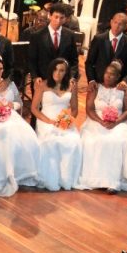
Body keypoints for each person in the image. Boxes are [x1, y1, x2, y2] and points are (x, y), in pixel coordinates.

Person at [0, 55, 39, 196]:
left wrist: (11, 105)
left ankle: (21, 172)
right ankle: (5, 172)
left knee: (26, 134)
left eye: (0, 69)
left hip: (10, 116)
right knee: (5, 134)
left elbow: (19, 103)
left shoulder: (9, 84)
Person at [78, 61, 127, 192]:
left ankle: (113, 181)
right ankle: (94, 178)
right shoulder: (95, 88)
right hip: (97, 121)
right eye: (106, 73)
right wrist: (100, 121)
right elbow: (89, 109)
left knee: (117, 141)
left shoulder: (123, 91)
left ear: (118, 77)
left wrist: (117, 121)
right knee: (94, 140)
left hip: (117, 123)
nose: (108, 76)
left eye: (112, 74)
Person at [32, 58, 82, 191]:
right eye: (55, 69)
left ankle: (66, 179)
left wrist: (68, 119)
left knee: (74, 141)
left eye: (61, 71)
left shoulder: (71, 86)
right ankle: (50, 178)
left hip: (64, 121)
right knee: (51, 141)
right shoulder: (43, 84)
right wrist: (49, 121)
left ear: (66, 73)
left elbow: (75, 110)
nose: (57, 73)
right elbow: (34, 109)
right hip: (46, 120)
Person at [28, 2, 79, 86]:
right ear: (50, 16)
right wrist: (35, 77)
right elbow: (32, 60)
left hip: (63, 81)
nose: (58, 21)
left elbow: (74, 60)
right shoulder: (37, 36)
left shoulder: (70, 35)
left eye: (61, 18)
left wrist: (72, 77)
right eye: (56, 17)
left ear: (65, 19)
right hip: (42, 81)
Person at [85, 13, 127, 86]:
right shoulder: (99, 39)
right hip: (98, 83)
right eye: (115, 22)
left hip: (118, 85)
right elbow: (89, 63)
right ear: (111, 22)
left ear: (125, 27)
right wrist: (91, 80)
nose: (117, 26)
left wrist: (125, 81)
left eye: (120, 24)